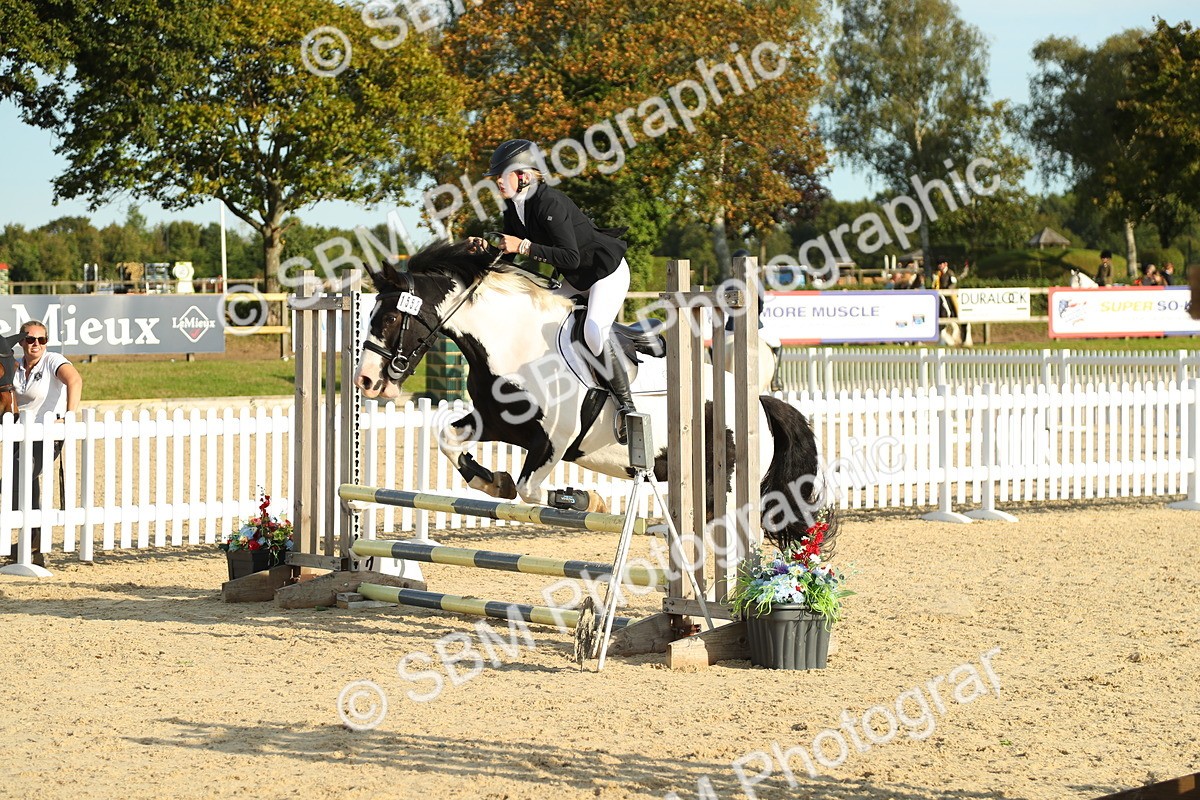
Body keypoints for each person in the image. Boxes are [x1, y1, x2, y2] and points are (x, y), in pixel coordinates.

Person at [474, 139, 635, 439]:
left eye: (502, 174)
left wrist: (523, 245)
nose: (496, 180)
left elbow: (570, 256)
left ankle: (627, 407)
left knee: (593, 332)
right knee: (537, 321)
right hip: (576, 279)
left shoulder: (550, 203)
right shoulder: (514, 207)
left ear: (522, 175)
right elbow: (507, 253)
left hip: (605, 274)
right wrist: (484, 250)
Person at [9, 320, 82, 566]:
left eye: (42, 339)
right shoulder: (16, 367)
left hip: (48, 434)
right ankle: (34, 545)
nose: (36, 344)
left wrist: (69, 417)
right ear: (21, 342)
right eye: (30, 339)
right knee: (24, 482)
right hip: (20, 434)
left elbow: (75, 381)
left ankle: (33, 538)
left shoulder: (53, 360)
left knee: (19, 476)